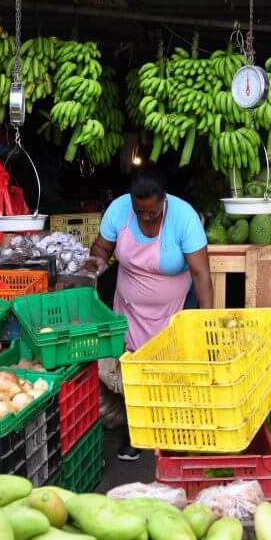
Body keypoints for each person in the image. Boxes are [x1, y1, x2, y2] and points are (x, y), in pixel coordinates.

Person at [85, 170, 214, 460]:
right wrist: (97, 261)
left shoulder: (184, 217)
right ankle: (136, 433)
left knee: (171, 371)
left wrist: (206, 322)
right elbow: (102, 247)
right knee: (132, 369)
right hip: (130, 309)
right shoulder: (119, 211)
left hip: (173, 309)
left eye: (152, 213)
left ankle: (170, 433)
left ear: (163, 200)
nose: (145, 218)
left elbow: (201, 274)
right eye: (139, 212)